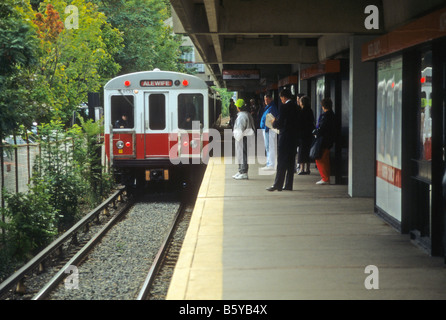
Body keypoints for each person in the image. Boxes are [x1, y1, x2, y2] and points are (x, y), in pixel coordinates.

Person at [266, 89, 301, 191]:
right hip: (293, 139)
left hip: (284, 138)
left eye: (281, 98)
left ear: (284, 97)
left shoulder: (284, 107)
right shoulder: (297, 107)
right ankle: (289, 185)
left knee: (281, 162)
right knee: (290, 162)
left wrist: (273, 122)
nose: (281, 100)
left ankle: (278, 184)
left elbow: (280, 123)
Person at [313, 98, 335, 185]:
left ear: (323, 106)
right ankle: (326, 177)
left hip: (324, 140)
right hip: (329, 140)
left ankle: (325, 178)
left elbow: (322, 128)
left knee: (320, 159)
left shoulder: (325, 116)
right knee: (325, 159)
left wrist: (316, 133)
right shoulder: (332, 115)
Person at [233, 99, 256, 180]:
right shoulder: (247, 114)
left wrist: (237, 138)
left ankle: (244, 172)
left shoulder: (242, 116)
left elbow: (240, 129)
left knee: (242, 154)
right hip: (247, 137)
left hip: (243, 137)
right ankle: (240, 171)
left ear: (238, 107)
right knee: (242, 154)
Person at [259, 94, 279, 171]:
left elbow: (272, 119)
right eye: (265, 100)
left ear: (271, 99)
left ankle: (271, 164)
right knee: (268, 147)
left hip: (269, 130)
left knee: (270, 147)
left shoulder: (272, 108)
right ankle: (269, 163)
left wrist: (267, 128)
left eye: (267, 99)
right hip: (267, 130)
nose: (266, 101)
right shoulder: (269, 107)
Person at [297, 95, 315, 175]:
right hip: (309, 134)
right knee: (308, 151)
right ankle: (308, 169)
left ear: (302, 103)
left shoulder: (302, 111)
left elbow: (299, 123)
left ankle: (301, 169)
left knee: (301, 151)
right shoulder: (310, 111)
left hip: (302, 134)